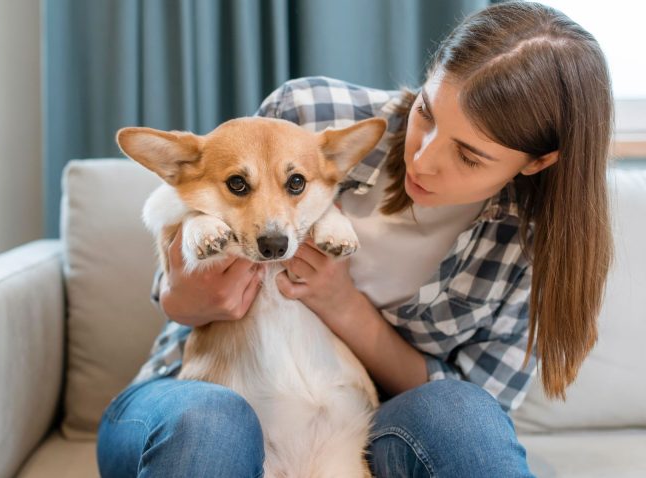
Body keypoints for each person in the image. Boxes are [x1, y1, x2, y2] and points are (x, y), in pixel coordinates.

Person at [96, 2, 613, 477]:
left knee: (462, 414)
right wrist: (183, 298)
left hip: (359, 416)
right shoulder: (312, 113)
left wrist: (343, 305)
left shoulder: (533, 246)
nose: (424, 158)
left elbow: (477, 411)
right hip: (190, 396)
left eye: (468, 155)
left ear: (538, 162)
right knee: (213, 421)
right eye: (426, 114)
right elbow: (197, 212)